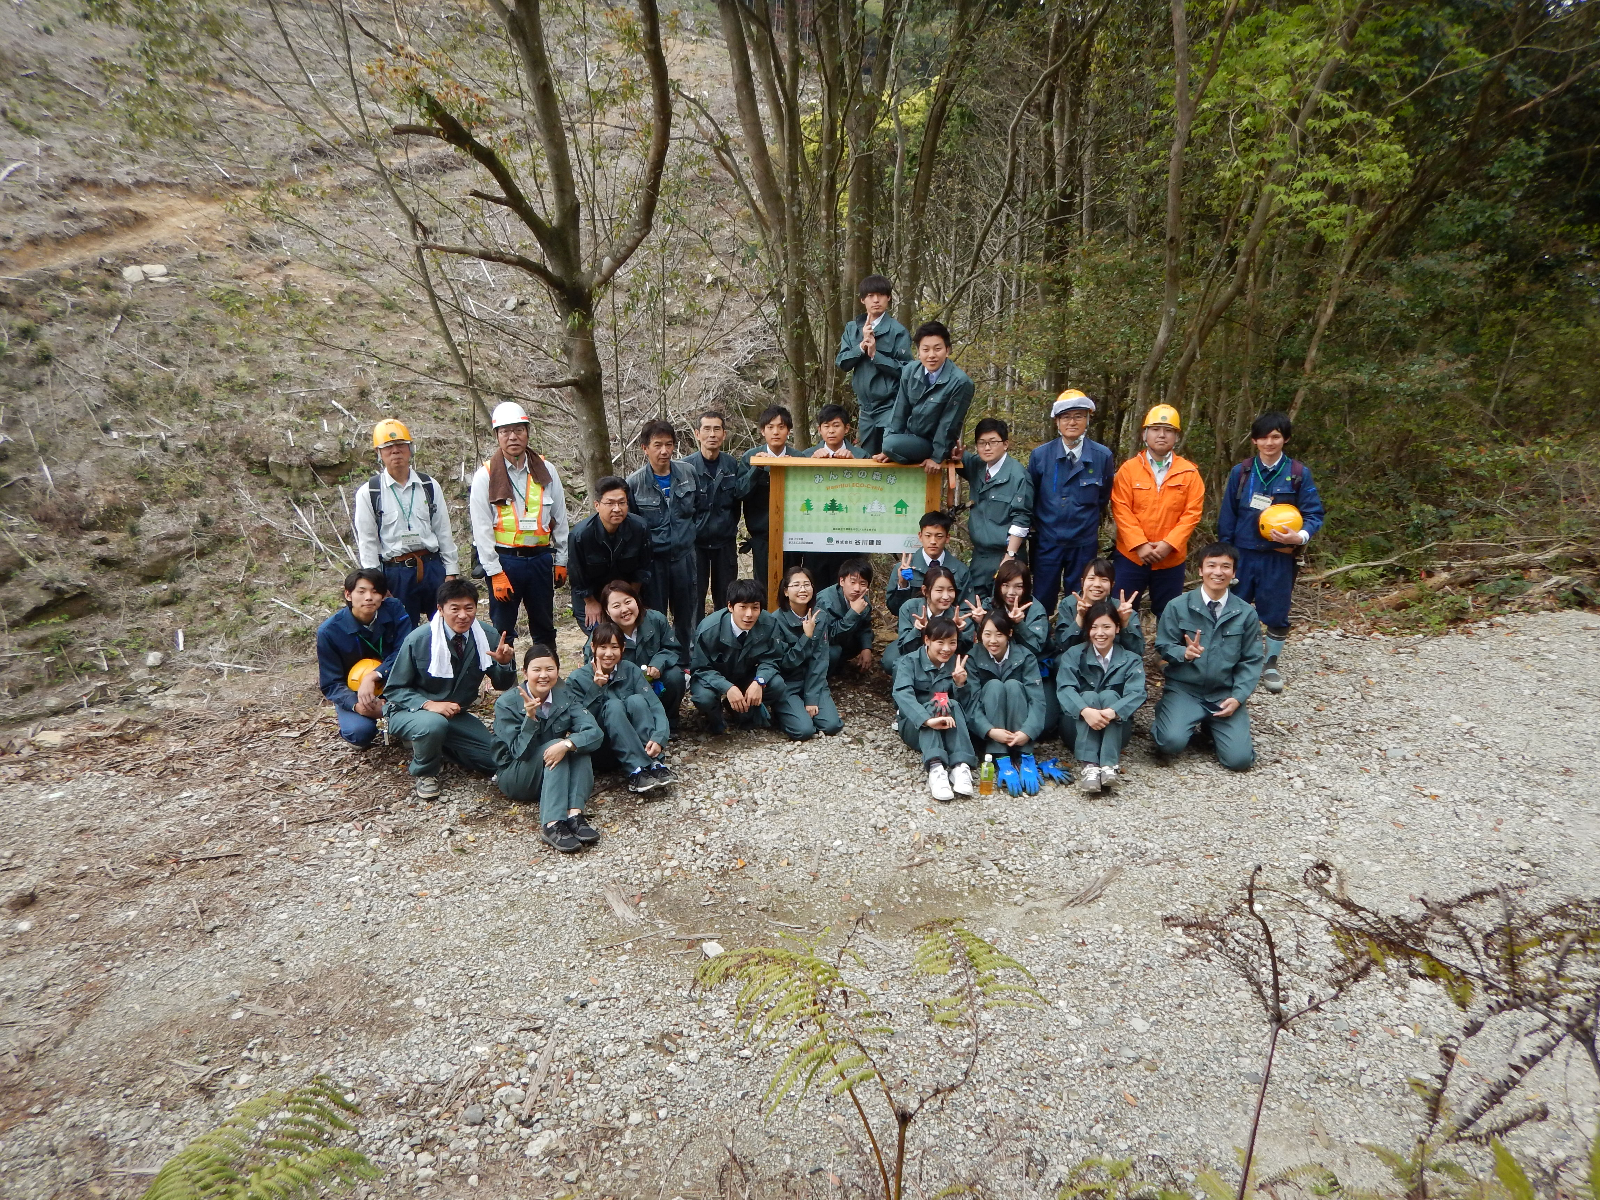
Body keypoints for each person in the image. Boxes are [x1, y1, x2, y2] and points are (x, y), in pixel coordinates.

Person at [1217, 411, 1326, 693]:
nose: (1269, 442)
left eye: (1275, 436)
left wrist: (1299, 536)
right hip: (1243, 554)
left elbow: (1314, 514)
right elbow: (1228, 514)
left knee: (1276, 612)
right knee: (1233, 608)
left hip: (1279, 556)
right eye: (1263, 437)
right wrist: (1225, 553)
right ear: (1254, 440)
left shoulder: (1298, 474)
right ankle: (1232, 660)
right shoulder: (1241, 472)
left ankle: (1271, 663)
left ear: (1285, 439)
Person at [384, 578, 518, 799]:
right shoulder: (419, 639)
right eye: (454, 609)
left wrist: (504, 663)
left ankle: (433, 743)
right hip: (409, 710)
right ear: (440, 609)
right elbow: (394, 690)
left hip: (455, 714)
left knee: (494, 758)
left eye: (469, 608)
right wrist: (429, 704)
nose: (463, 615)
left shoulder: (487, 635)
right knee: (432, 724)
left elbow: (501, 685)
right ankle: (425, 771)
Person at [1151, 542, 1264, 772]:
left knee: (1240, 761)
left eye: (1226, 566)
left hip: (1223, 692)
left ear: (1233, 573)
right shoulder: (1177, 606)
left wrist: (1238, 696)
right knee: (1168, 743)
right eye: (1211, 565)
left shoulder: (1245, 613)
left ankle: (1212, 727)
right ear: (1200, 570)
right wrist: (1183, 653)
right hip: (1184, 689)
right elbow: (1163, 644)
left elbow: (1251, 660)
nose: (1218, 572)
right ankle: (1171, 714)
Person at [469, 401, 570, 651]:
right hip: (506, 561)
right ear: (497, 436)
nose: (513, 436)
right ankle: (506, 683)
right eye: (505, 431)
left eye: (518, 430)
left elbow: (560, 517)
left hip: (540, 559)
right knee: (503, 631)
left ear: (527, 432)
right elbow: (481, 530)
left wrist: (561, 560)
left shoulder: (546, 471)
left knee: (544, 628)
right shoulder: (486, 476)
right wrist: (494, 572)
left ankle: (548, 679)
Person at [492, 645, 604, 854]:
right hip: (517, 775)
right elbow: (519, 753)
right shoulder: (506, 703)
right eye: (536, 670)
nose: (543, 675)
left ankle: (574, 815)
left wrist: (568, 744)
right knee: (556, 746)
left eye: (550, 669)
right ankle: (552, 823)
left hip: (552, 775)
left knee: (576, 746)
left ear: (557, 671)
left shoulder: (565, 697)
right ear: (525, 673)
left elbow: (594, 732)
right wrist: (530, 718)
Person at [352, 419, 461, 624]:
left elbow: (443, 530)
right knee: (402, 634)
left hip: (432, 567)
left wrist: (451, 572)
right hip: (395, 573)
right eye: (388, 447)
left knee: (445, 629)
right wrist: (376, 585)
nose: (395, 451)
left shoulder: (429, 485)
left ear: (410, 449)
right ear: (379, 453)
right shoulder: (369, 492)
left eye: (401, 445)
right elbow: (368, 542)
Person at [689, 578, 816, 740]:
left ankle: (743, 710)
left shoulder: (768, 623)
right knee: (703, 697)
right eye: (743, 607)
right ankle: (715, 719)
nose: (749, 614)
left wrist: (759, 681)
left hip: (745, 676)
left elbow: (772, 658)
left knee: (776, 684)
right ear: (730, 606)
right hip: (713, 679)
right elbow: (700, 668)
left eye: (755, 608)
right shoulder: (709, 629)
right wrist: (727, 688)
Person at [1110, 404, 1204, 621]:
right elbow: (1120, 508)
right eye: (1155, 429)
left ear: (1176, 436)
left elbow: (1192, 513)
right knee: (1122, 610)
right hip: (1131, 556)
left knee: (1170, 613)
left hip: (1171, 559)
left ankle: (1168, 654)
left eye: (1168, 430)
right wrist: (1140, 544)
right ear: (1145, 434)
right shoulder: (1129, 469)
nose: (1162, 435)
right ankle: (1124, 653)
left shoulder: (1189, 472)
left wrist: (1168, 544)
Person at [1028, 389, 1115, 617]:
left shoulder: (1102, 456)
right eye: (1066, 417)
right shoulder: (1040, 456)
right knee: (1042, 598)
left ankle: (1075, 644)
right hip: (1047, 541)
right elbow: (1032, 496)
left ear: (1087, 419)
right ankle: (1040, 642)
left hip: (1083, 542)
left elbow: (1103, 496)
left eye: (1078, 416)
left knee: (1081, 600)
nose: (1072, 422)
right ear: (1057, 421)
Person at [627, 419, 702, 670]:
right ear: (644, 448)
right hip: (654, 561)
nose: (664, 451)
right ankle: (658, 664)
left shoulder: (688, 473)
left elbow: (699, 510)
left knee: (686, 613)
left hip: (684, 557)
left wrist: (689, 536)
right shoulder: (635, 483)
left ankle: (685, 664)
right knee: (655, 615)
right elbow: (632, 525)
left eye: (669, 445)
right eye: (657, 445)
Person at [568, 621, 674, 794]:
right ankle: (636, 770)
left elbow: (654, 706)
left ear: (623, 648)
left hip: (637, 744)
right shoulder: (577, 679)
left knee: (637, 700)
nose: (608, 654)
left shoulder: (630, 670)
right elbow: (579, 722)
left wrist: (659, 737)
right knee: (614, 706)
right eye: (603, 647)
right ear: (593, 647)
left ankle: (654, 762)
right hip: (603, 749)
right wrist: (596, 688)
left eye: (614, 647)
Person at [1057, 598, 1147, 794]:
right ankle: (1089, 766)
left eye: (1106, 626)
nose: (1100, 633)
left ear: (1117, 628)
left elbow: (1137, 692)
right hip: (1077, 728)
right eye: (1094, 627)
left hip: (1115, 729)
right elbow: (1065, 688)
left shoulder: (1131, 659)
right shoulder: (1073, 655)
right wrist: (1085, 711)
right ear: (1088, 629)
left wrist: (1113, 711)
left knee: (1109, 695)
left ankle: (1108, 766)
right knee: (1088, 696)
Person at [316, 567, 413, 748]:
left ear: (383, 596)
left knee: (414, 731)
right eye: (361, 591)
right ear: (348, 595)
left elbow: (405, 650)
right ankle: (361, 719)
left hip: (398, 685)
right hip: (356, 692)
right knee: (359, 734)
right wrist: (357, 705)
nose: (368, 597)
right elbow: (331, 682)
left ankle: (402, 723)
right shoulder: (329, 631)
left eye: (375, 592)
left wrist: (374, 675)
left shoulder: (395, 609)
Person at [892, 615, 977, 803]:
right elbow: (901, 694)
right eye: (940, 642)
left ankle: (960, 766)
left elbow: (966, 707)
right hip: (916, 729)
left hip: (949, 732)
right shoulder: (909, 662)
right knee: (934, 704)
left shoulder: (958, 664)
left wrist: (960, 684)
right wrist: (926, 719)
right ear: (927, 640)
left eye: (952, 643)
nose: (947, 649)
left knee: (951, 703)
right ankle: (936, 767)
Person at [964, 610, 1047, 795]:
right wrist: (990, 731)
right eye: (987, 634)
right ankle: (999, 755)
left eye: (999, 634)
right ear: (980, 635)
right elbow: (971, 702)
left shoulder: (1025, 656)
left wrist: (1028, 732)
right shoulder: (972, 657)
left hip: (1020, 729)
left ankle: (1024, 754)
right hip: (991, 730)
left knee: (1013, 686)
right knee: (993, 685)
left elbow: (1037, 699)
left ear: (1009, 633)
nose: (993, 640)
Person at [875, 321, 974, 472]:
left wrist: (937, 457)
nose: (931, 355)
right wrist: (889, 449)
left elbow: (949, 424)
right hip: (908, 438)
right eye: (926, 349)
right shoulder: (910, 371)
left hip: (932, 443)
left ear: (947, 350)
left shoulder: (960, 382)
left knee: (891, 445)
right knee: (888, 444)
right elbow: (899, 412)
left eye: (938, 349)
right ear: (918, 352)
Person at [835, 274, 914, 456]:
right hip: (865, 409)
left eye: (880, 295)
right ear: (863, 299)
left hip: (891, 406)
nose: (876, 300)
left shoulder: (898, 331)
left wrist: (875, 355)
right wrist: (861, 346)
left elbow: (906, 371)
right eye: (870, 296)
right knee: (866, 457)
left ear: (888, 298)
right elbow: (842, 363)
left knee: (890, 453)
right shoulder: (852, 328)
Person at [593, 580, 686, 732]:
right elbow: (591, 664)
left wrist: (658, 663)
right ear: (607, 611)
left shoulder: (656, 619)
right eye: (616, 606)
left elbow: (672, 648)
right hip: (624, 688)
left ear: (637, 600)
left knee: (675, 675)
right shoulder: (602, 634)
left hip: (655, 681)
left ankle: (670, 723)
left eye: (628, 601)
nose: (624, 609)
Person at [685, 410, 752, 617]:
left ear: (724, 434)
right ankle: (693, 643)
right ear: (697, 434)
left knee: (726, 596)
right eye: (706, 429)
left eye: (717, 429)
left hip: (725, 543)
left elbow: (739, 499)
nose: (712, 434)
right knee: (694, 596)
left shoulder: (732, 465)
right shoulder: (685, 467)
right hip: (695, 544)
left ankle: (723, 639)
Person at [959, 417, 1033, 599]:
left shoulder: (1018, 475)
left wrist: (1010, 556)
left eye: (993, 442)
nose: (987, 448)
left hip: (1006, 555)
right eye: (981, 443)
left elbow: (1022, 518)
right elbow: (957, 457)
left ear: (1005, 444)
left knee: (1006, 610)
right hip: (980, 556)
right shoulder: (977, 466)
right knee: (975, 607)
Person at [567, 475, 652, 631]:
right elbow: (577, 575)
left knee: (640, 631)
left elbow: (643, 568)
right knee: (602, 635)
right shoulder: (580, 535)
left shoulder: (640, 528)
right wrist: (591, 602)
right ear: (597, 505)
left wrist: (629, 599)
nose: (617, 509)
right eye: (610, 503)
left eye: (622, 503)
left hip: (629, 592)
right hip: (593, 596)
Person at [771, 564, 845, 736]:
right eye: (796, 585)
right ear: (785, 591)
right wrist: (806, 637)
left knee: (832, 726)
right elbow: (786, 663)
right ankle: (783, 711)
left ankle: (803, 707)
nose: (802, 589)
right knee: (804, 731)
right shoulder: (775, 621)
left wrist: (811, 698)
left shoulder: (820, 616)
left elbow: (820, 660)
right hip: (788, 683)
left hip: (813, 681)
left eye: (807, 584)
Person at [991, 558, 1057, 733]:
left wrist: (1019, 625)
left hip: (1033, 668)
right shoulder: (988, 605)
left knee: (1046, 726)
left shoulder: (1036, 609)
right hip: (997, 669)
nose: (1011, 592)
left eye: (1018, 586)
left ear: (1026, 587)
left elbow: (1036, 648)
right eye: (1005, 585)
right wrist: (977, 623)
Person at [740, 404, 795, 594]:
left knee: (791, 583)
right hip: (762, 536)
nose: (776, 432)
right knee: (763, 587)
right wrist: (758, 468)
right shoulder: (750, 457)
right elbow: (740, 493)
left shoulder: (799, 457)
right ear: (762, 431)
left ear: (788, 430)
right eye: (770, 427)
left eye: (781, 427)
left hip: (794, 535)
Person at [882, 563, 974, 675]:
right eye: (939, 591)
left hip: (946, 662)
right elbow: (904, 648)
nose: (946, 596)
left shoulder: (958, 615)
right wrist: (917, 630)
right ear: (925, 591)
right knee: (895, 662)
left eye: (950, 590)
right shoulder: (910, 608)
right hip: (915, 654)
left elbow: (965, 651)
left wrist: (957, 632)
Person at [1053, 557, 1143, 656]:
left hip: (1113, 663)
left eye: (1104, 580)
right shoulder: (1069, 604)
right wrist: (1080, 618)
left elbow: (1137, 651)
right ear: (1083, 582)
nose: (1097, 584)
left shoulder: (1122, 608)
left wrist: (1124, 623)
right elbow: (1063, 647)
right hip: (1078, 661)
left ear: (1112, 585)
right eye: (1091, 578)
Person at [887, 511, 970, 616]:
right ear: (920, 536)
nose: (933, 541)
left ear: (947, 538)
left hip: (948, 629)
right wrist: (903, 585)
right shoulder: (903, 568)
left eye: (939, 536)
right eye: (928, 536)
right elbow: (895, 610)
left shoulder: (960, 570)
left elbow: (966, 609)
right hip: (913, 629)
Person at [815, 557, 875, 674]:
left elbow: (865, 627)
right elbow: (829, 636)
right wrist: (853, 613)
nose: (857, 589)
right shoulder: (825, 601)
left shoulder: (864, 601)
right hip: (822, 644)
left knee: (865, 638)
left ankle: (839, 665)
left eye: (863, 583)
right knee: (834, 651)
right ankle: (823, 675)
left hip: (843, 639)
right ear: (842, 581)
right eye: (852, 582)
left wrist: (866, 648)